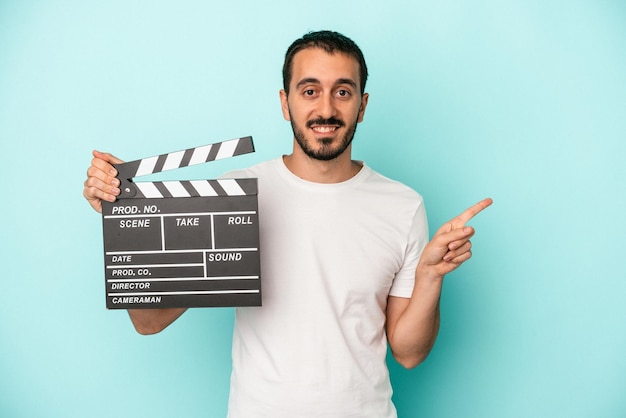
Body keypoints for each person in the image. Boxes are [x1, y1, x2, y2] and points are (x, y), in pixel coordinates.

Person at [83, 30, 492, 418]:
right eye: (309, 90)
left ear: (362, 106)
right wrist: (127, 221)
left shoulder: (402, 206)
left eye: (343, 92)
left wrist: (430, 276)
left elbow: (408, 352)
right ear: (285, 102)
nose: (326, 109)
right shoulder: (234, 196)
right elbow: (149, 320)